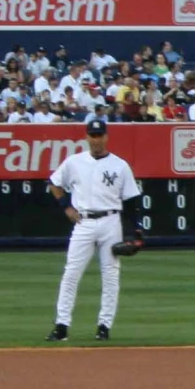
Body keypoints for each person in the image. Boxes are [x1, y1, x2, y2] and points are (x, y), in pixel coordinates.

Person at [46, 118, 143, 342]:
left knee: (110, 276)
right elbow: (54, 183)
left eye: (99, 135)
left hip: (111, 221)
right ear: (87, 137)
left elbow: (131, 201)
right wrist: (66, 207)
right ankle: (61, 326)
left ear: (106, 137)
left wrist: (135, 232)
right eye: (92, 135)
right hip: (84, 222)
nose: (96, 140)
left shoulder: (120, 165)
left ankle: (104, 326)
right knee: (71, 273)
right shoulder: (74, 162)